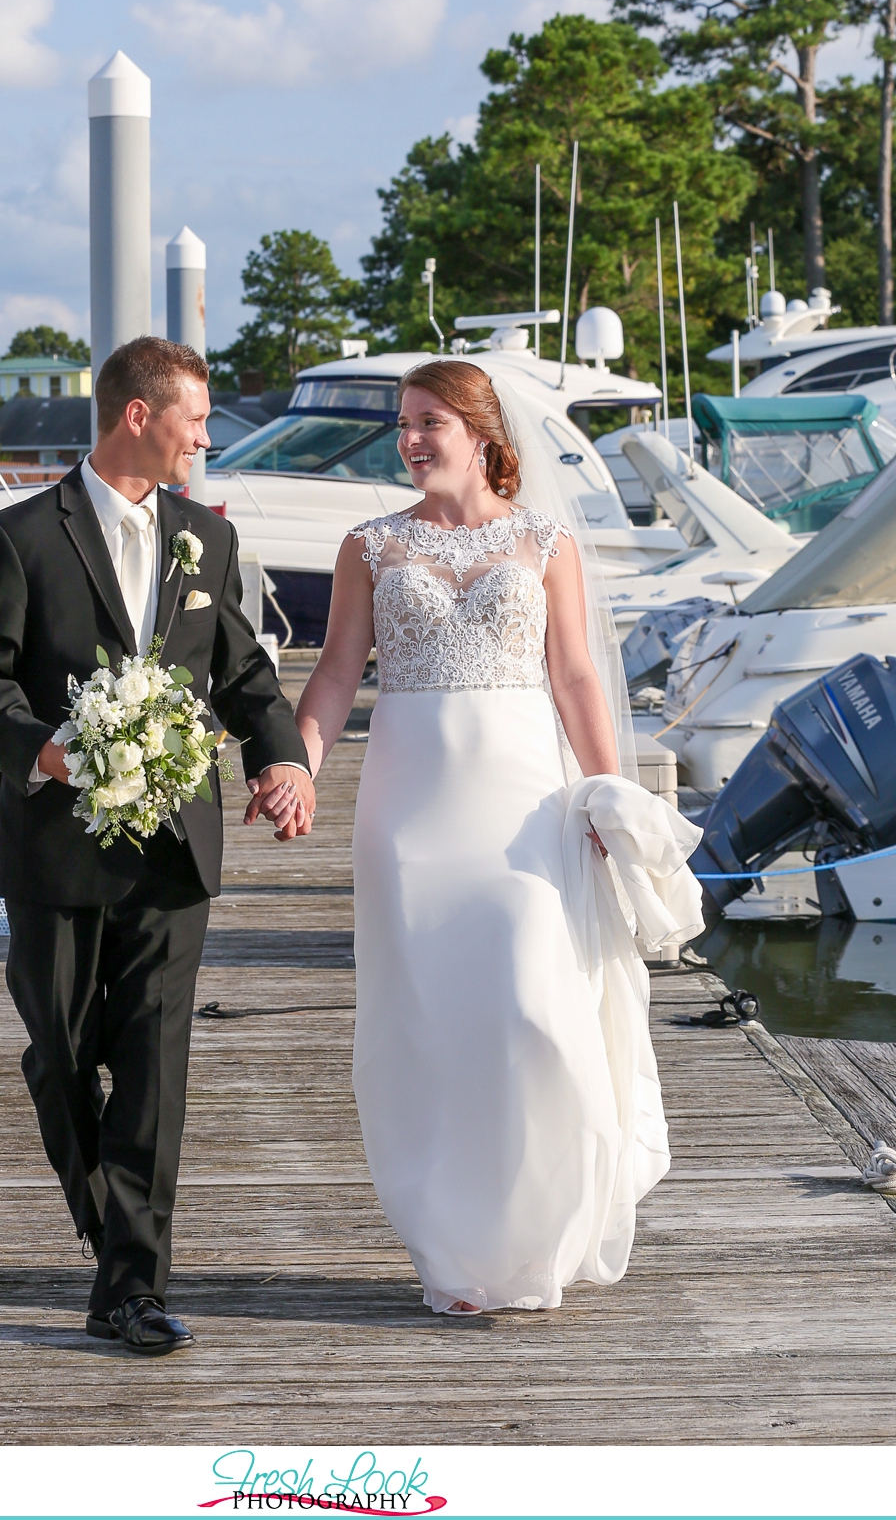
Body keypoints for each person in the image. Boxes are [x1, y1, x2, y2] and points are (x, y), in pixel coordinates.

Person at [291, 359, 702, 1316]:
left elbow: (577, 680)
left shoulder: (544, 540)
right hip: (410, 810)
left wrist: (608, 796)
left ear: (482, 432)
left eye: (431, 420)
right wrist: (300, 761)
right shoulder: (371, 545)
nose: (412, 437)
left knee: (532, 1009)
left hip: (523, 807)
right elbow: (337, 673)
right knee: (431, 1027)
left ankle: (539, 1236)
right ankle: (459, 1255)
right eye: (405, 423)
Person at [0, 337, 316, 1356]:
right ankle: (113, 1231)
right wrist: (45, 750)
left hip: (174, 849)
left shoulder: (206, 537)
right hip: (55, 844)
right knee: (63, 1055)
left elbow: (238, 667)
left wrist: (280, 760)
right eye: (194, 418)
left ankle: (132, 1284)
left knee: (154, 1064)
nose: (206, 436)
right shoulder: (18, 536)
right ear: (138, 417)